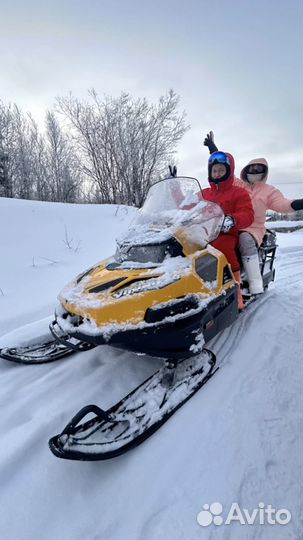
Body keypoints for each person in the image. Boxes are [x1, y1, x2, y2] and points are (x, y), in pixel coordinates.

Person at [204, 132, 303, 294]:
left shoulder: (269, 191)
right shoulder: (239, 184)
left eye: (259, 169)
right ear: (246, 170)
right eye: (252, 168)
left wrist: (298, 203)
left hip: (252, 227)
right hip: (229, 224)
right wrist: (213, 150)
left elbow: (283, 204)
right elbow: (224, 172)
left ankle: (254, 282)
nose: (255, 171)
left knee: (244, 239)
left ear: (264, 172)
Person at [201, 151, 254, 309]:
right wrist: (174, 188)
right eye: (214, 171)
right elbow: (187, 204)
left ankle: (236, 293)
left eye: (221, 170)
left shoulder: (239, 192)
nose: (217, 174)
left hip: (227, 233)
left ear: (229, 171)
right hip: (204, 233)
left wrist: (232, 219)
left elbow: (248, 214)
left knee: (222, 246)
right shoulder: (205, 193)